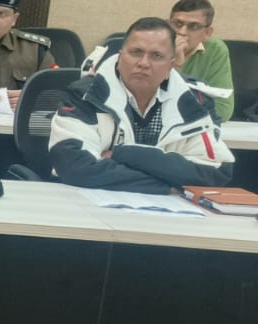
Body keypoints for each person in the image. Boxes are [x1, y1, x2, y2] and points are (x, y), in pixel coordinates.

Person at [49, 17, 233, 193]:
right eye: (136, 52)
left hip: (169, 209)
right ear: (120, 57)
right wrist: (166, 185)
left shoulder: (194, 102)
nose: (144, 63)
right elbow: (76, 167)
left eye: (156, 56)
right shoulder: (86, 95)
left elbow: (214, 172)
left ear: (170, 66)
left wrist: (122, 154)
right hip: (86, 203)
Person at [168, 0, 235, 123]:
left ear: (207, 33)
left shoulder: (216, 49)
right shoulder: (153, 46)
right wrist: (174, 65)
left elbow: (223, 109)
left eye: (193, 26)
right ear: (167, 25)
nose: (182, 32)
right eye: (177, 24)